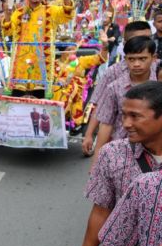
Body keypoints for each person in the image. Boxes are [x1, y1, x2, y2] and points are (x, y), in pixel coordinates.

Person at [78, 82, 162, 246]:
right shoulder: (113, 155)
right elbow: (101, 211)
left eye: (135, 116)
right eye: (123, 115)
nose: (125, 123)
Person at [1, 0, 75, 97]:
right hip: (20, 66)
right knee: (17, 101)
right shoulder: (18, 13)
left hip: (42, 66)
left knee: (41, 102)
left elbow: (67, 14)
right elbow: (7, 32)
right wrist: (7, 13)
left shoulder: (50, 10)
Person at [82, 21, 153, 155]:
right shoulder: (113, 73)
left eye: (148, 39)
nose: (145, 43)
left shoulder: (158, 69)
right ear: (126, 44)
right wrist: (89, 134)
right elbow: (100, 106)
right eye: (139, 39)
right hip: (120, 145)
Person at [92, 36, 158, 165]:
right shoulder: (114, 88)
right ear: (125, 59)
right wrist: (96, 161)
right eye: (131, 59)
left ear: (153, 58)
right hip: (122, 153)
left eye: (142, 59)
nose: (136, 64)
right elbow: (106, 123)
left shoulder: (159, 84)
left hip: (155, 152)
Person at [51, 32, 108, 131]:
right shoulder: (53, 64)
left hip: (76, 93)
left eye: (74, 50)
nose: (72, 53)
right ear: (61, 52)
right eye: (69, 50)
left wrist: (105, 45)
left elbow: (101, 59)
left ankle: (65, 120)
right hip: (56, 92)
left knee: (70, 87)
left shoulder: (80, 61)